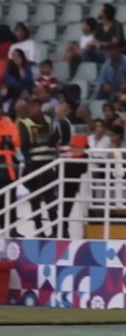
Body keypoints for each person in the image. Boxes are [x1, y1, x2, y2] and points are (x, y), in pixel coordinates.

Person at [17, 97, 58, 237]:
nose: (37, 109)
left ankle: (55, 229)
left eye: (38, 105)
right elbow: (25, 146)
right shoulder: (24, 124)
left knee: (50, 198)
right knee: (35, 200)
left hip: (48, 164)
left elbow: (54, 139)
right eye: (34, 106)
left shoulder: (48, 120)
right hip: (34, 165)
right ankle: (39, 229)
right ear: (29, 108)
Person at [52, 99, 88, 238]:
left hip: (66, 164)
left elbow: (53, 140)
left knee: (60, 197)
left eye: (60, 104)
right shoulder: (82, 123)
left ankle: (61, 228)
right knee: (70, 198)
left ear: (66, 107)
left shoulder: (63, 123)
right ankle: (64, 226)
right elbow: (85, 142)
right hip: (79, 165)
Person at [0, 110, 21, 236]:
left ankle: (12, 229)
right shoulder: (9, 124)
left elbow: (17, 141)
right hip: (7, 166)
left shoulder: (9, 124)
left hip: (10, 168)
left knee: (12, 200)